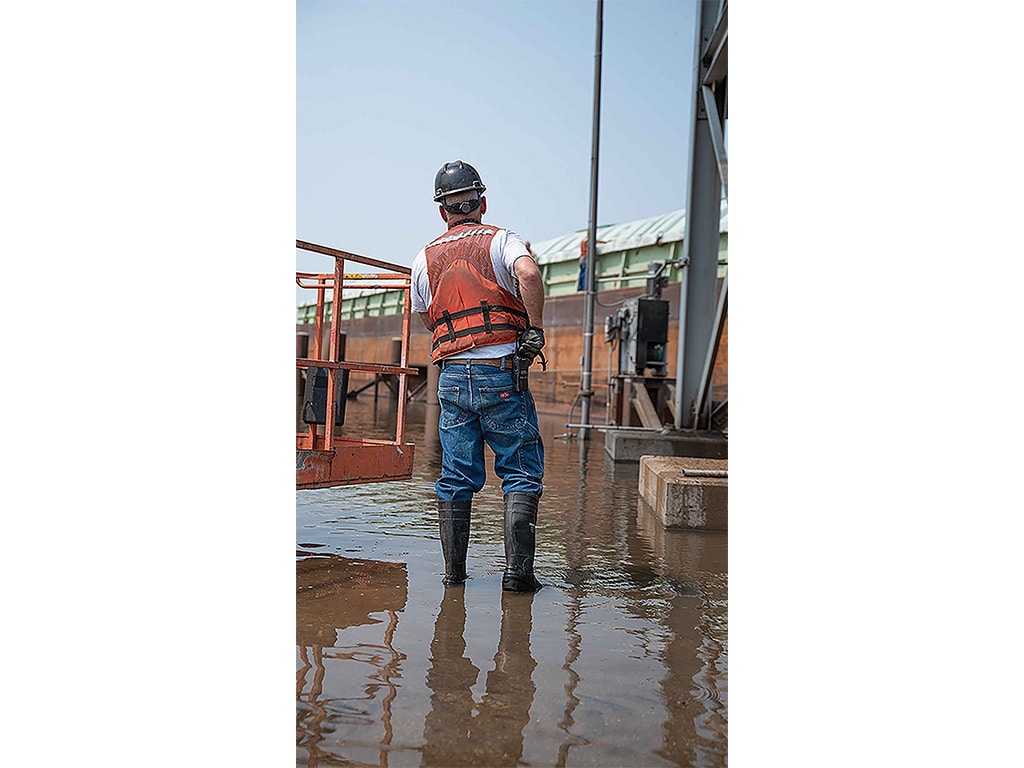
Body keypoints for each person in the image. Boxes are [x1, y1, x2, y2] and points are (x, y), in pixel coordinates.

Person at [410, 160, 546, 592]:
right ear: (481, 203)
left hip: (451, 376)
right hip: (501, 373)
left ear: (442, 211)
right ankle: (517, 578)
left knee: (455, 476)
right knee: (520, 472)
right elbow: (528, 273)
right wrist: (536, 329)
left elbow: (423, 316)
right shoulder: (500, 240)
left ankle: (454, 578)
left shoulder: (424, 257)